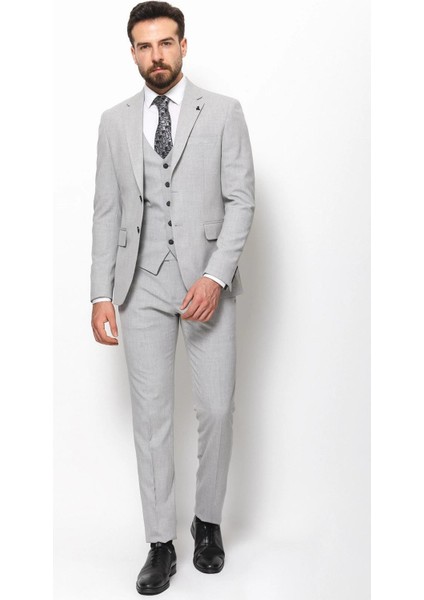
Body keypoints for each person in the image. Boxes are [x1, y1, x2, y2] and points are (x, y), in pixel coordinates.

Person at [90, 1, 255, 595]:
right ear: (132, 52)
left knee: (216, 409)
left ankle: (207, 523)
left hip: (206, 281)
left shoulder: (224, 112)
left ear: (183, 45)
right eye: (144, 45)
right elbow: (106, 212)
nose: (156, 55)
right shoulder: (113, 122)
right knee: (152, 418)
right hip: (140, 283)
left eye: (165, 43)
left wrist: (214, 277)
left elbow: (241, 200)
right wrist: (100, 293)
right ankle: (160, 542)